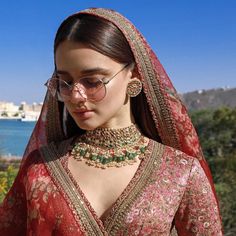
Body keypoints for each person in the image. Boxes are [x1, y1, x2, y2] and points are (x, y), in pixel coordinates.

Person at [0, 8, 223, 235]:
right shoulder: (40, 169)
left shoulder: (181, 172)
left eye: (93, 81)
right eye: (65, 82)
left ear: (133, 77)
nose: (76, 96)